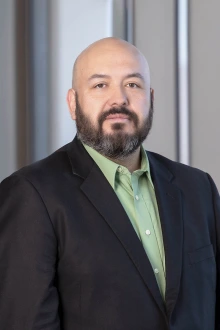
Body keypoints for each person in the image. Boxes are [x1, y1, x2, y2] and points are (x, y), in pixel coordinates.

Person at [0, 37, 219, 330]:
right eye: (100, 85)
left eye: (133, 84)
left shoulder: (198, 188)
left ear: (151, 99)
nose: (119, 99)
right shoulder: (31, 194)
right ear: (73, 103)